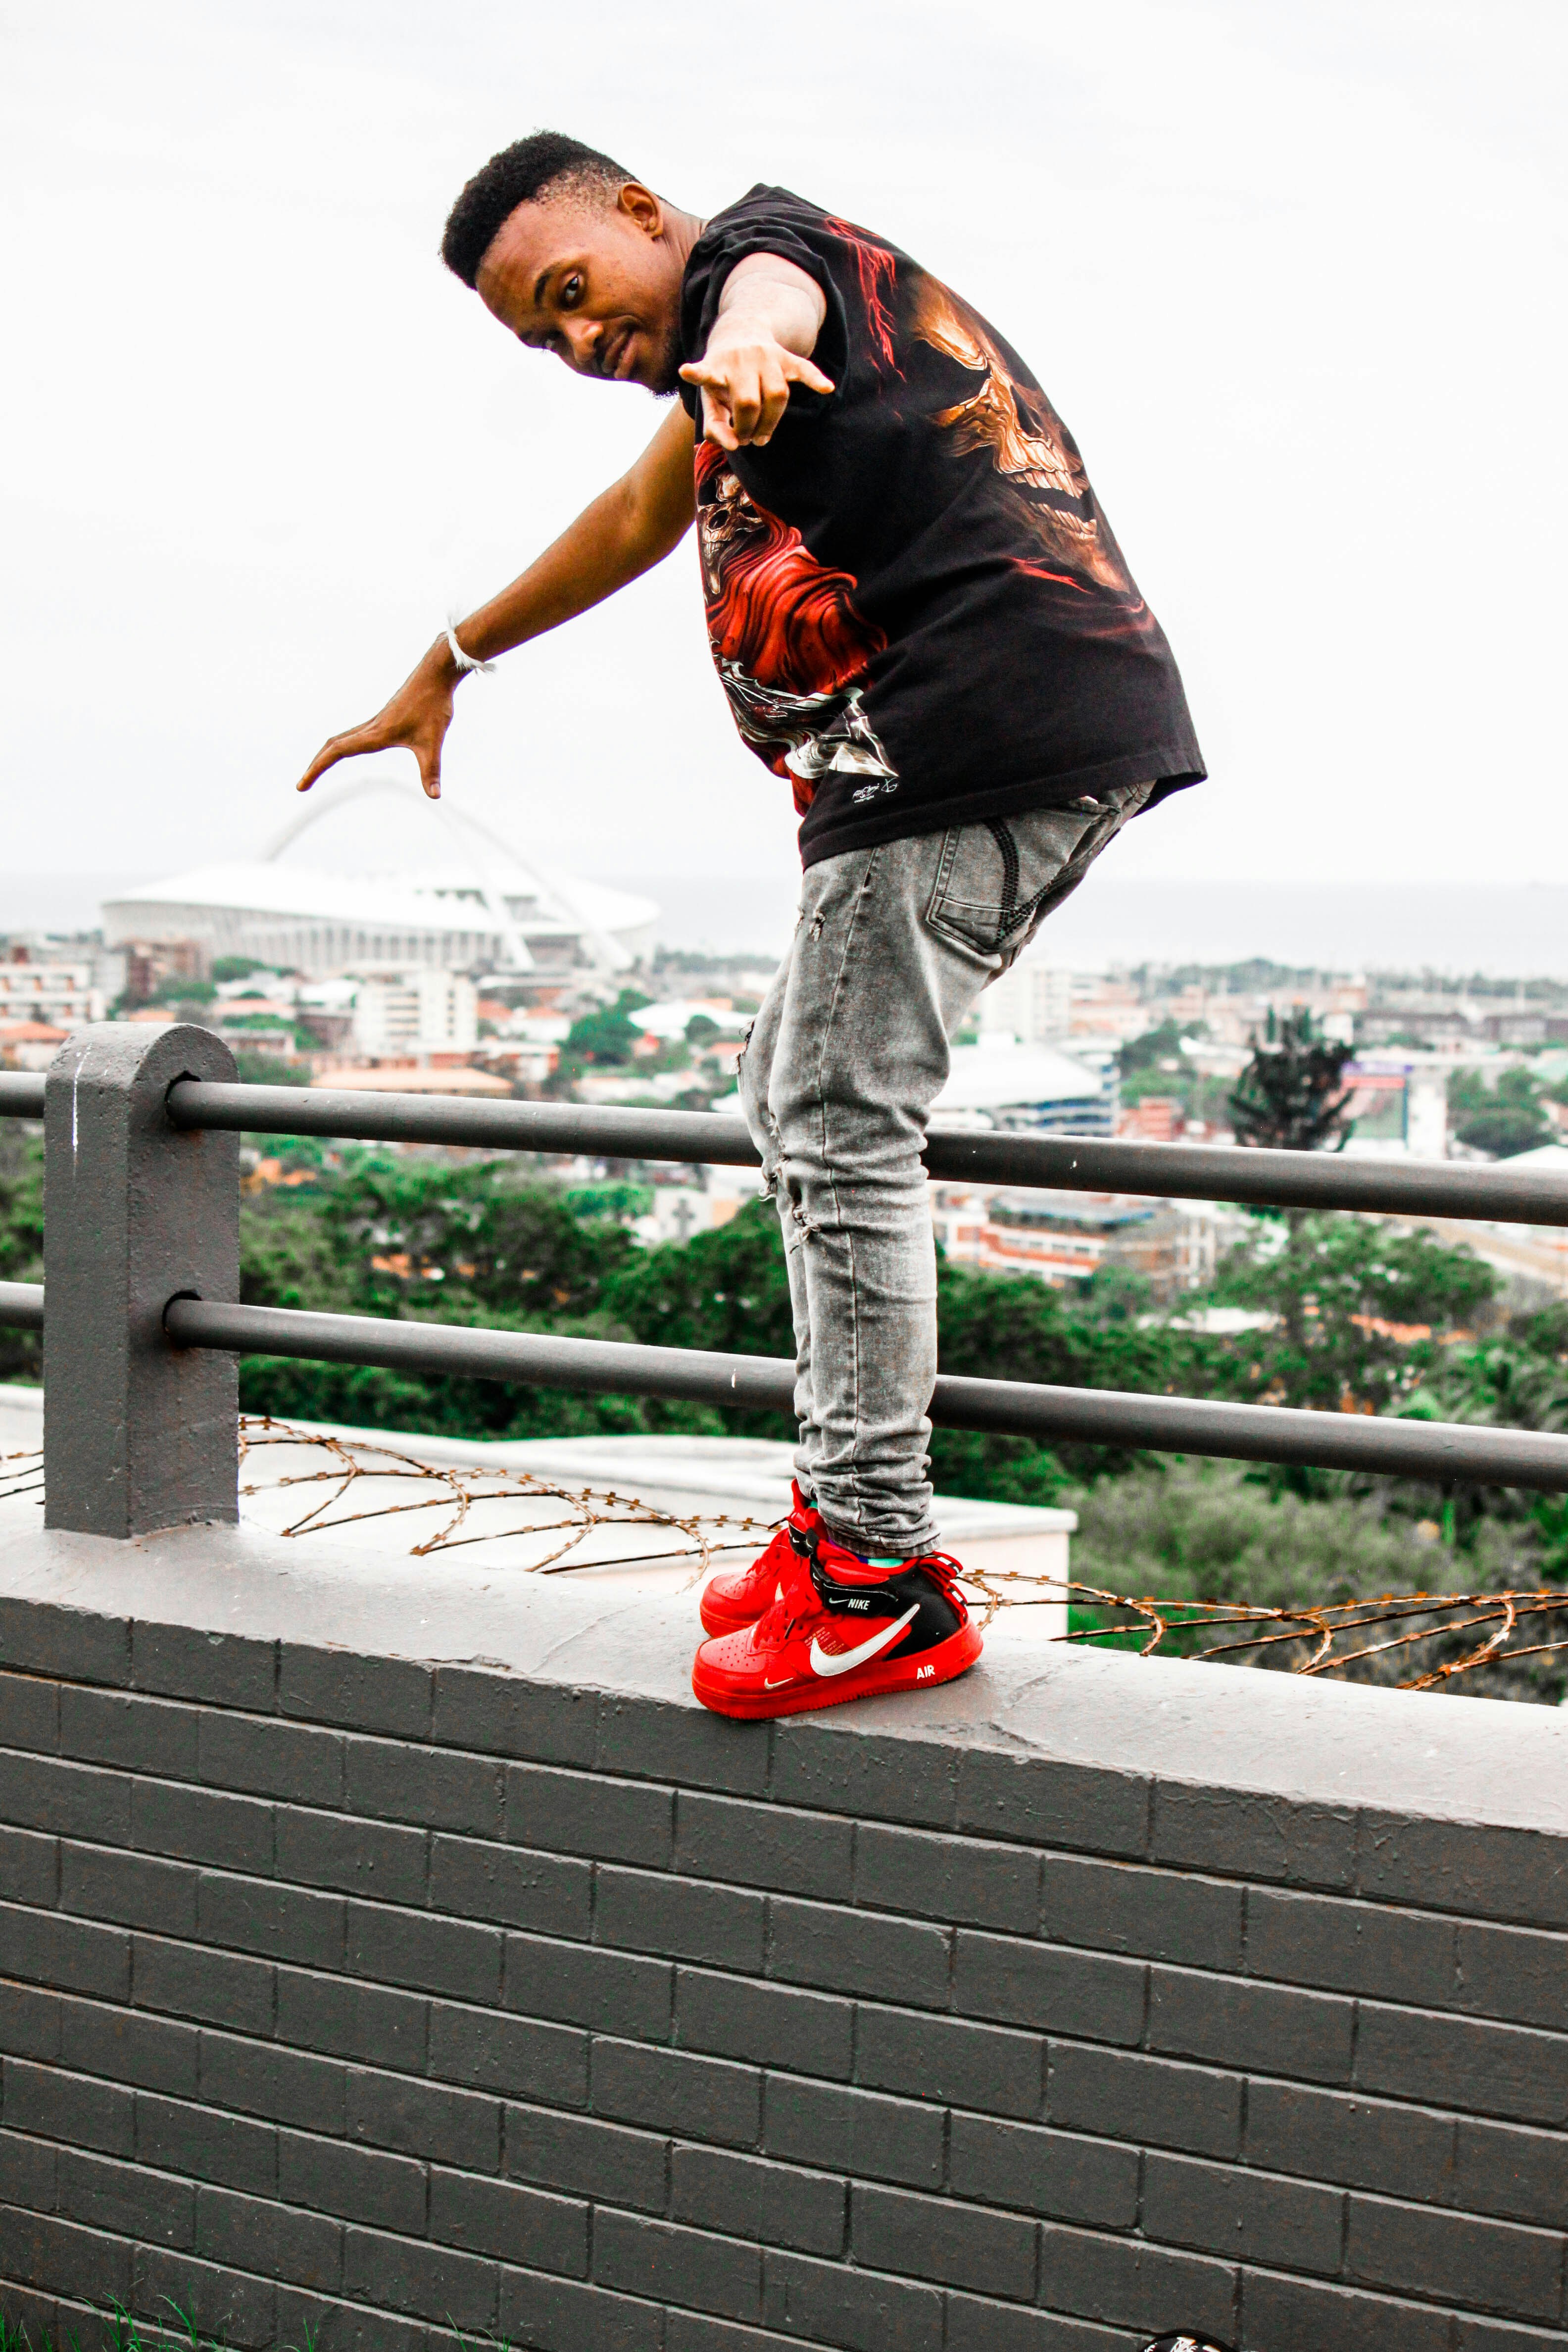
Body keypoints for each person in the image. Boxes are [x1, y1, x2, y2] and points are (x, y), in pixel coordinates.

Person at [297, 131, 1205, 1721]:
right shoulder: (704, 380)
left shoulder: (763, 265)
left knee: (840, 1113)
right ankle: (839, 1514)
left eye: (576, 292)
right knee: (784, 1090)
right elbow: (630, 519)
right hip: (946, 750)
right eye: (544, 336)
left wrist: (753, 350)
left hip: (972, 738)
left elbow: (768, 295)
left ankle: (874, 1570)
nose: (581, 342)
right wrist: (448, 658)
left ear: (645, 217)